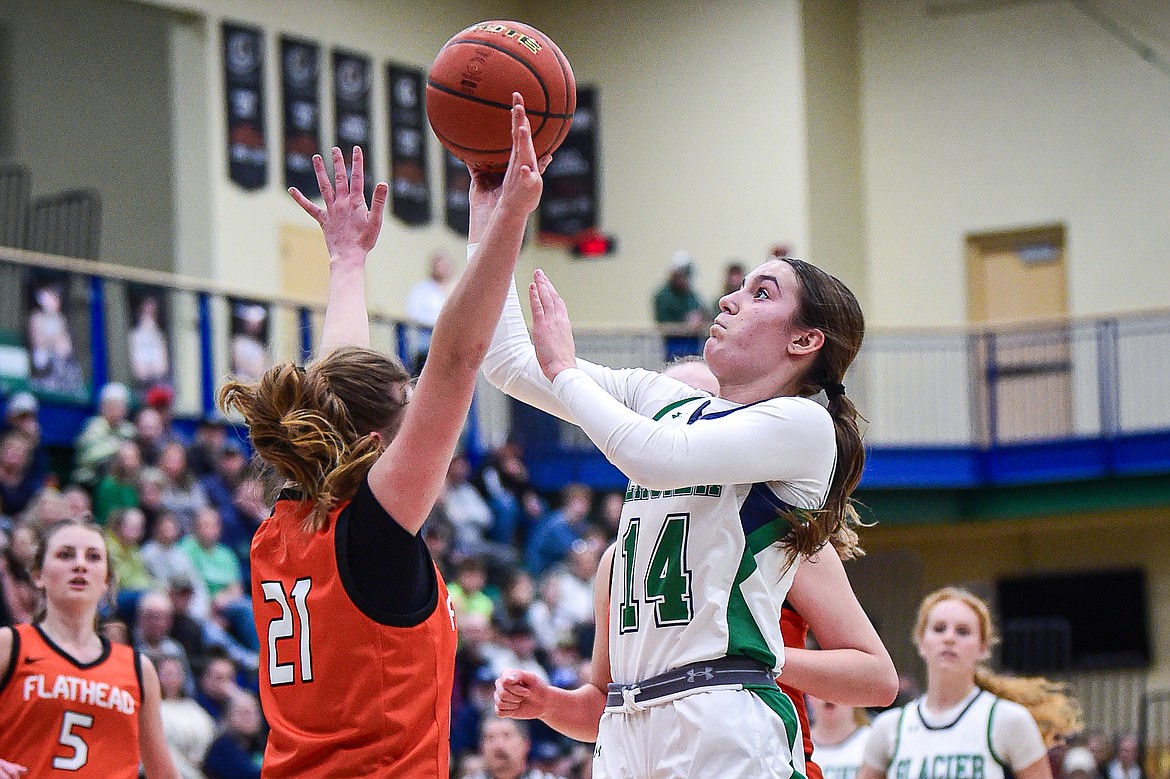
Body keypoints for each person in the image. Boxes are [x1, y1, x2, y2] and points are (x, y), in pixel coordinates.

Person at [216, 94, 547, 778]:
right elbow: (455, 361)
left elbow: (337, 384)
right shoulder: (373, 524)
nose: (419, 416)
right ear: (374, 440)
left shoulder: (288, 519)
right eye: (407, 407)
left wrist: (347, 261)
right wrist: (503, 217)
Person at [484, 240, 874, 778]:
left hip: (720, 711)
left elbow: (655, 457)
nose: (730, 301)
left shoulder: (804, 425)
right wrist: (492, 211)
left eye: (761, 293)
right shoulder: (663, 400)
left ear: (805, 340)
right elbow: (507, 364)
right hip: (627, 721)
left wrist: (566, 371)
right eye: (737, 287)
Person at [0, 516, 179, 777]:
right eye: (65, 555)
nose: (80, 565)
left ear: (106, 580)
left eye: (93, 557)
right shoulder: (10, 645)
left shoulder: (139, 669)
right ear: (38, 575)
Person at [857, 587, 1083, 779]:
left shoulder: (1009, 720)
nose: (949, 638)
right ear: (920, 641)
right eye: (939, 629)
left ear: (983, 647)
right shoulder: (888, 727)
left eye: (962, 631)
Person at [652, 249, 710, 361]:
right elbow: (663, 320)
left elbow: (702, 309)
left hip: (693, 342)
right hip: (674, 343)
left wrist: (701, 317)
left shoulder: (691, 294)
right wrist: (686, 321)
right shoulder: (663, 296)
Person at [405, 250, 456, 372]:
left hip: (451, 347)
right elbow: (414, 314)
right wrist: (440, 324)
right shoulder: (421, 290)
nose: (442, 269)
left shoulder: (455, 289)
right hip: (426, 346)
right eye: (439, 266)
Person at [807, 694, 871, 779]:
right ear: (808, 696)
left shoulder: (872, 741)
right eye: (823, 685)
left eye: (836, 685)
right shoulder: (797, 744)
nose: (829, 694)